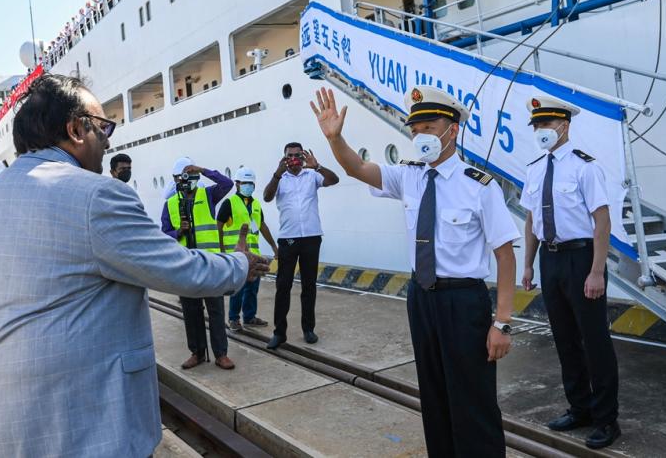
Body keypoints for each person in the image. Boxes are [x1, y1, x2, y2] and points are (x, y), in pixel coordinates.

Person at [0, 74, 268, 456]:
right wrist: (239, 264)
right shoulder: (96, 194)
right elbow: (178, 269)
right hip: (75, 425)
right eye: (103, 128)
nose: (108, 141)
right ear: (75, 129)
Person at [311, 86, 518, 457]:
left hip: (464, 301)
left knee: (473, 399)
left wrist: (502, 322)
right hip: (421, 299)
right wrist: (336, 138)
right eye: (415, 128)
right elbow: (355, 168)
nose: (420, 134)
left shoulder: (479, 186)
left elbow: (505, 255)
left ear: (451, 130)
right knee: (435, 395)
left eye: (429, 125)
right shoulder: (409, 176)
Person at [520, 95, 620, 449]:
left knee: (595, 341)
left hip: (582, 260)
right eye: (537, 126)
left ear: (564, 126)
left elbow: (602, 221)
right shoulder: (533, 168)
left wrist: (597, 271)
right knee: (564, 338)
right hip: (550, 258)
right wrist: (528, 263)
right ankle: (580, 408)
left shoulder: (584, 167)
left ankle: (607, 420)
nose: (541, 131)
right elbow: (532, 219)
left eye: (546, 125)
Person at [161, 158, 236, 370]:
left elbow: (227, 184)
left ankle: (221, 354)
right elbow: (164, 234)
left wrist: (203, 170)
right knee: (191, 312)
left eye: (190, 175)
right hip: (185, 266)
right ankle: (197, 352)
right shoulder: (170, 204)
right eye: (182, 177)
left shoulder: (209, 195)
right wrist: (179, 232)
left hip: (210, 264)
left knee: (216, 311)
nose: (186, 180)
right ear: (176, 180)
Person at [262, 141, 339, 349]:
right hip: (288, 239)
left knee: (309, 286)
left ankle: (308, 329)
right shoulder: (280, 179)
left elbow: (334, 180)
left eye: (298, 155)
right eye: (290, 156)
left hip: (312, 237)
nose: (294, 159)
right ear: (284, 158)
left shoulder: (312, 175)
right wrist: (277, 174)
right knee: (283, 286)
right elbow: (267, 197)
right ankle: (279, 333)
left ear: (303, 157)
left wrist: (318, 166)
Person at [217, 166, 278, 331]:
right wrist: (221, 251)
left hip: (253, 255)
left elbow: (262, 225)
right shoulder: (229, 203)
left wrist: (273, 245)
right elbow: (219, 226)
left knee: (252, 288)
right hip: (236, 255)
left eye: (251, 183)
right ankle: (234, 319)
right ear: (237, 184)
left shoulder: (256, 204)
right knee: (237, 289)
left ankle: (249, 317)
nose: (249, 186)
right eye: (245, 183)